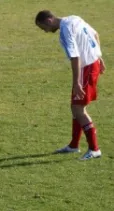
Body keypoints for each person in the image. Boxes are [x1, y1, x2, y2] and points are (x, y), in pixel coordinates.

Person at [35, 10, 106, 160]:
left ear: (48, 20)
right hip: (91, 64)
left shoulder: (65, 31)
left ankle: (95, 149)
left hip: (86, 68)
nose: (45, 32)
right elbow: (95, 34)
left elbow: (75, 57)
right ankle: (74, 145)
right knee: (76, 106)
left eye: (43, 28)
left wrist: (77, 82)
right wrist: (99, 58)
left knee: (78, 108)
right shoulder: (74, 18)